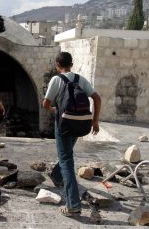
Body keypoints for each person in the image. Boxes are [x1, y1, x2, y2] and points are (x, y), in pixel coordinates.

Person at [42, 52, 101, 217]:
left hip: (63, 125)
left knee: (66, 161)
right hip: (80, 124)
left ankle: (73, 205)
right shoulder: (80, 79)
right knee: (66, 154)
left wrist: (54, 110)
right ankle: (57, 176)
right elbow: (97, 98)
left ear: (57, 65)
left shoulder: (56, 79)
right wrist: (95, 121)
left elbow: (46, 103)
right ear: (71, 64)